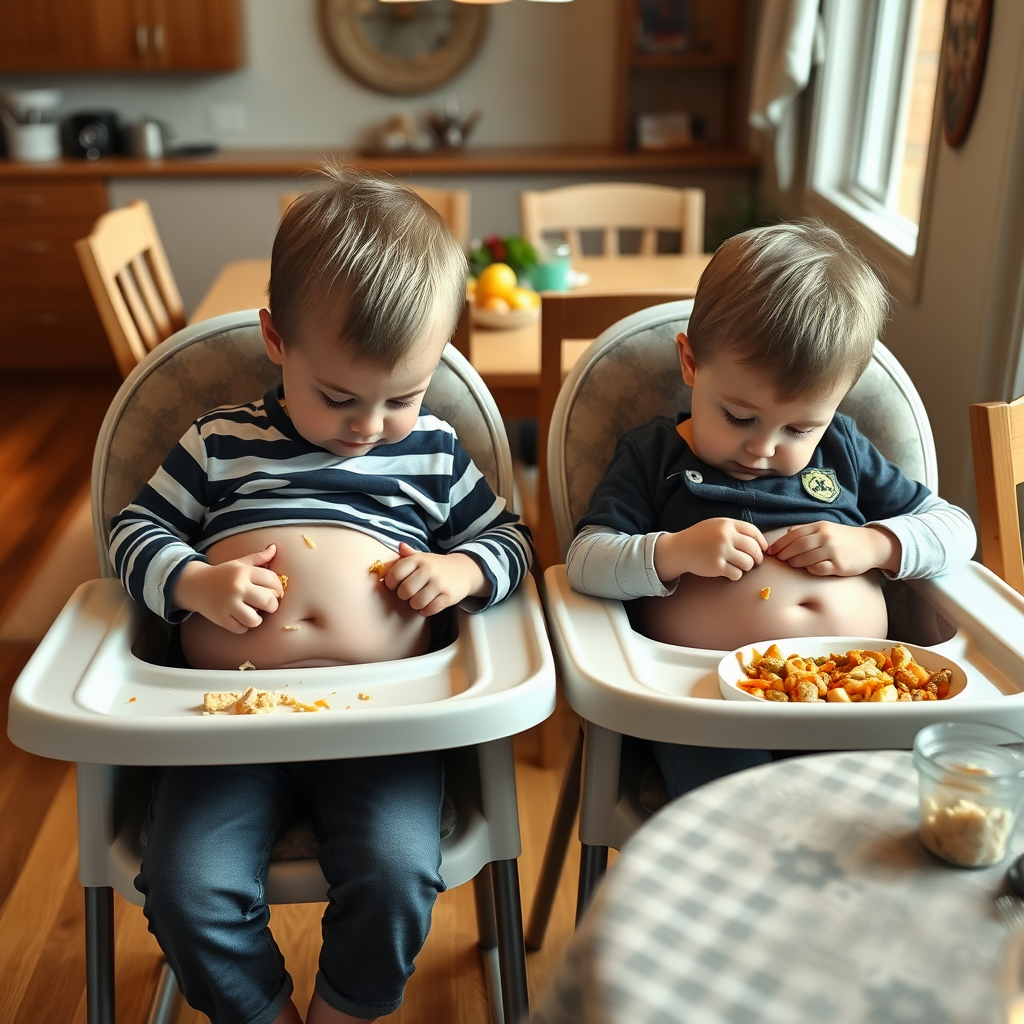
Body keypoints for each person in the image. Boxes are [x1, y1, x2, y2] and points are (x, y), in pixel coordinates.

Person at [109, 165, 532, 1024]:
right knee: (186, 886)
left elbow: (512, 543)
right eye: (338, 396)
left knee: (397, 870)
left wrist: (461, 572)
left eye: (402, 397)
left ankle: (346, 1009)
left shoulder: (436, 454)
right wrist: (193, 582)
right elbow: (129, 536)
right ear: (276, 339)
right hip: (223, 722)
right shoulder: (220, 442)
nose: (368, 426)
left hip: (386, 723)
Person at [566, 220, 975, 800]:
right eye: (738, 417)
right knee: (745, 818)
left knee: (879, 823)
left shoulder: (844, 451)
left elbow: (956, 530)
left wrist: (875, 545)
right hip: (706, 703)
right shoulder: (653, 455)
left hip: (858, 700)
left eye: (800, 427)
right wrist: (675, 552)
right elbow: (584, 560)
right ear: (690, 363)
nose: (763, 447)